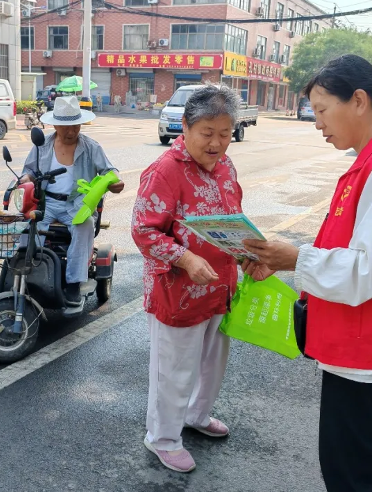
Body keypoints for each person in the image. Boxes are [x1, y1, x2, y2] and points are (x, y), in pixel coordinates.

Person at [242, 55, 372, 492]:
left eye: (321, 110)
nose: (316, 123)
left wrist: (296, 258)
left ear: (358, 101)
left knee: (349, 472)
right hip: (362, 346)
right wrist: (283, 261)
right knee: (347, 464)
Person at [132, 84, 243, 473]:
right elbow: (144, 231)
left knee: (212, 362)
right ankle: (162, 437)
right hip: (177, 290)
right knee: (174, 368)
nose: (216, 144)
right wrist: (184, 257)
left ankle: (197, 415)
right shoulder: (165, 170)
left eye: (225, 134)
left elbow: (233, 220)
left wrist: (250, 255)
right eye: (207, 134)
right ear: (185, 127)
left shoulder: (227, 167)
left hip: (220, 285)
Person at [19, 95, 124, 304]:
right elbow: (29, 171)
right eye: (66, 126)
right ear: (55, 125)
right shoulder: (43, 145)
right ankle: (26, 274)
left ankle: (74, 283)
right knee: (27, 225)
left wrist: (115, 182)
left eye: (75, 125)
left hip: (77, 204)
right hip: (46, 202)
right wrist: (24, 180)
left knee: (84, 226)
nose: (71, 131)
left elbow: (110, 171)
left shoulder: (91, 147)